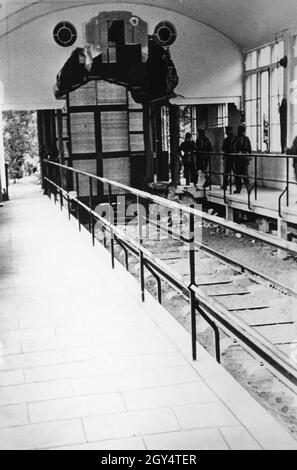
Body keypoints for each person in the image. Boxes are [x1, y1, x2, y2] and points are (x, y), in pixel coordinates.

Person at [233, 124, 252, 194]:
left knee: (237, 175)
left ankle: (238, 189)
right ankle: (248, 188)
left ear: (238, 131)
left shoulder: (236, 138)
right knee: (245, 174)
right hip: (245, 158)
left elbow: (233, 148)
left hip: (238, 159)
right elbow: (249, 149)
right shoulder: (247, 139)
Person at [222, 126, 236, 190]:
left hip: (228, 157)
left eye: (226, 130)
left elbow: (223, 148)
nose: (225, 132)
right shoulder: (235, 138)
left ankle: (225, 186)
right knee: (235, 172)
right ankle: (238, 187)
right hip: (235, 157)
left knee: (226, 172)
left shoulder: (227, 139)